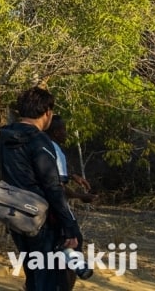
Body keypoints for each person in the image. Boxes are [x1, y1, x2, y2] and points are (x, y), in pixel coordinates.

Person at [0, 87, 82, 291]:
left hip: (15, 215)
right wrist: (69, 227)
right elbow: (52, 186)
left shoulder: (4, 137)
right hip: (41, 218)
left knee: (33, 273)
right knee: (48, 278)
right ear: (47, 112)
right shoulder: (40, 139)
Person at [46, 114, 95, 290]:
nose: (65, 133)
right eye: (63, 129)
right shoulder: (54, 149)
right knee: (72, 246)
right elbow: (58, 185)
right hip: (56, 210)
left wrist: (72, 175)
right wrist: (79, 196)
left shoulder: (39, 145)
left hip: (38, 211)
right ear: (56, 131)